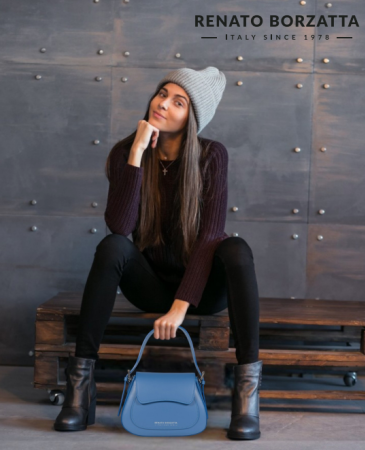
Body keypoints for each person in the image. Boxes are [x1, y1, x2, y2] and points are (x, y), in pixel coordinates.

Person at [53, 67, 262, 440]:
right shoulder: (126, 152)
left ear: (192, 118)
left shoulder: (212, 155)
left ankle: (247, 398)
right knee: (112, 246)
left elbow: (210, 236)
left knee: (235, 248)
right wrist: (136, 153)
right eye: (162, 93)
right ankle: (80, 390)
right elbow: (120, 226)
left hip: (202, 293)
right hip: (150, 286)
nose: (163, 104)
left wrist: (180, 307)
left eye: (178, 102)